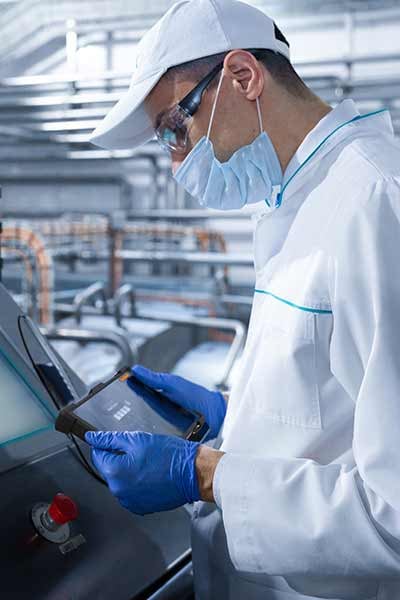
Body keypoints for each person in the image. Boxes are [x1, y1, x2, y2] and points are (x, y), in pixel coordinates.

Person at [88, 0, 400, 598]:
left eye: (175, 129)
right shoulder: (300, 200)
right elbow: (341, 403)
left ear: (243, 77)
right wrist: (237, 415)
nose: (176, 161)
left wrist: (206, 476)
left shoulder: (373, 203)